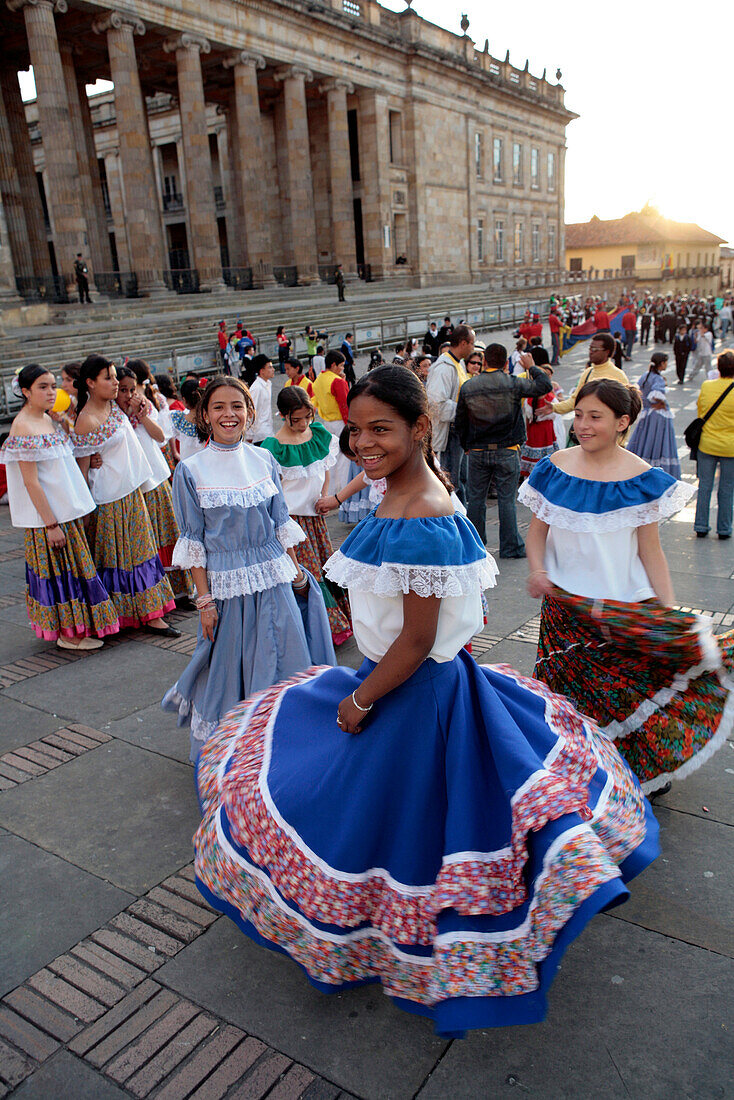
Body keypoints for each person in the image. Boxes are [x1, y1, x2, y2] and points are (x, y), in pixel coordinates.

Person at [192, 364, 659, 1038]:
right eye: (354, 431)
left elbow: (415, 640)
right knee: (405, 819)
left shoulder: (424, 510)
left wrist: (359, 703)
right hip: (417, 683)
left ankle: (424, 949)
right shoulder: (409, 494)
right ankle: (396, 938)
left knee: (400, 819)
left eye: (380, 429)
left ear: (419, 427)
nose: (362, 443)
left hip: (413, 691)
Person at [521, 379, 732, 793]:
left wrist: (669, 612)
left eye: (595, 417)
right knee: (569, 698)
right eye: (579, 415)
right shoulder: (554, 466)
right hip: (566, 610)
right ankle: (581, 769)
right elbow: (536, 533)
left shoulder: (641, 478)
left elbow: (650, 551)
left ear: (622, 422)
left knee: (624, 692)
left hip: (623, 607)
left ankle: (637, 769)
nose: (582, 425)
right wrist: (536, 570)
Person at [161, 376, 334, 760]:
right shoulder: (190, 470)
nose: (229, 414)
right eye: (219, 407)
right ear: (205, 414)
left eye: (236, 406)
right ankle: (240, 751)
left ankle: (285, 742)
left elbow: (280, 525)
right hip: (227, 587)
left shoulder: (264, 459)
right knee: (230, 669)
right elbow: (194, 543)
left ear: (250, 412)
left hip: (273, 576)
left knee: (286, 656)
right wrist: (204, 602)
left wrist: (297, 574)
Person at [1, 364, 118, 649]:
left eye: (53, 385)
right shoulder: (23, 427)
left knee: (74, 573)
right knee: (60, 576)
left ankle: (76, 629)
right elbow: (31, 483)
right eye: (43, 387)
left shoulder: (45, 419)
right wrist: (51, 524)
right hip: (50, 518)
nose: (51, 392)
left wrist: (63, 421)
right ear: (25, 391)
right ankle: (69, 635)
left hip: (65, 511)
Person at [71, 355, 178, 634]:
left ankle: (150, 612)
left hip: (132, 491)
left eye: (114, 377)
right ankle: (132, 614)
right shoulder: (86, 420)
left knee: (141, 553)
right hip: (109, 499)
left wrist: (139, 403)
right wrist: (83, 513)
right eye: (108, 378)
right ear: (90, 383)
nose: (115, 383)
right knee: (120, 558)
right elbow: (82, 470)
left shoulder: (115, 406)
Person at [261, 387, 352, 645]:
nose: (302, 424)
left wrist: (324, 496)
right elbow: (274, 492)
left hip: (315, 519)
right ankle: (321, 630)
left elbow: (324, 470)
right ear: (283, 415)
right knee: (306, 574)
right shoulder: (273, 448)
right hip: (292, 522)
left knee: (324, 568)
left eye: (306, 417)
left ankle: (336, 623)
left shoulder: (318, 434)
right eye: (296, 419)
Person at [455, 344, 552, 556]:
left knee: (476, 500)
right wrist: (532, 366)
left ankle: (475, 546)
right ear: (506, 363)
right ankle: (510, 546)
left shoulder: (469, 386)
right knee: (506, 500)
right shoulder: (513, 383)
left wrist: (467, 446)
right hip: (507, 449)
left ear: (485, 361)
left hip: (478, 450)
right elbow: (544, 386)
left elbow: (460, 421)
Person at [116, 366, 194, 601]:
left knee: (168, 532)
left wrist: (141, 416)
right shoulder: (112, 416)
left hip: (155, 476)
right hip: (133, 484)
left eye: (132, 389)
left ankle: (179, 590)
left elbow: (161, 436)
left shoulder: (143, 407)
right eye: (123, 390)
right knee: (148, 540)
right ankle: (160, 595)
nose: (129, 394)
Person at [426, 324, 475, 500]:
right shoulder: (444, 368)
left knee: (462, 479)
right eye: (472, 343)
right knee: (452, 481)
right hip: (450, 430)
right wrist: (465, 410)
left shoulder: (458, 364)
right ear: (463, 343)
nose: (473, 348)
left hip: (459, 429)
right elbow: (435, 403)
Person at [693, 350, 734, 540]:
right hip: (730, 447)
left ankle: (701, 525)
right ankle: (724, 529)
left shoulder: (707, 386)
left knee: (705, 486)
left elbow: (700, 411)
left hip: (707, 444)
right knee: (727, 489)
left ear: (718, 367)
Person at [627, 353, 680, 478]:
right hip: (657, 416)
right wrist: (660, 403)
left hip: (647, 414)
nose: (666, 364)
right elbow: (655, 394)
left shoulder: (646, 376)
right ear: (661, 363)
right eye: (666, 362)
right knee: (658, 442)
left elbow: (638, 391)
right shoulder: (658, 379)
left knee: (644, 441)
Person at [551, 333, 630, 416]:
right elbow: (574, 401)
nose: (591, 352)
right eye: (590, 348)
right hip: (585, 424)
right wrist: (553, 407)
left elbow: (625, 410)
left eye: (595, 349)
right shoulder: (588, 372)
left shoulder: (618, 376)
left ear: (607, 352)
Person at [312, 349, 351, 494]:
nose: (342, 369)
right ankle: (343, 489)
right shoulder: (337, 381)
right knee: (344, 457)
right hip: (340, 421)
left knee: (332, 456)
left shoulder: (318, 380)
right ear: (333, 365)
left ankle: (332, 489)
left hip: (326, 422)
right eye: (340, 366)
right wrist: (350, 424)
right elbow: (344, 404)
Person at [519, 365, 559, 480]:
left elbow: (528, 416)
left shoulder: (529, 399)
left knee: (533, 458)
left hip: (533, 432)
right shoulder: (551, 399)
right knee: (547, 458)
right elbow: (555, 415)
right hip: (546, 432)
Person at [170, 378, 205, 463]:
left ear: (184, 400)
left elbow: (167, 436)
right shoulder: (212, 420)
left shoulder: (178, 419)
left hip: (188, 470)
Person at [245, 354, 274, 444]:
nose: (273, 370)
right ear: (262, 371)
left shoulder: (268, 384)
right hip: (260, 434)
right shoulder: (256, 388)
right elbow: (250, 411)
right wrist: (249, 434)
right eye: (269, 367)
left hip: (268, 431)